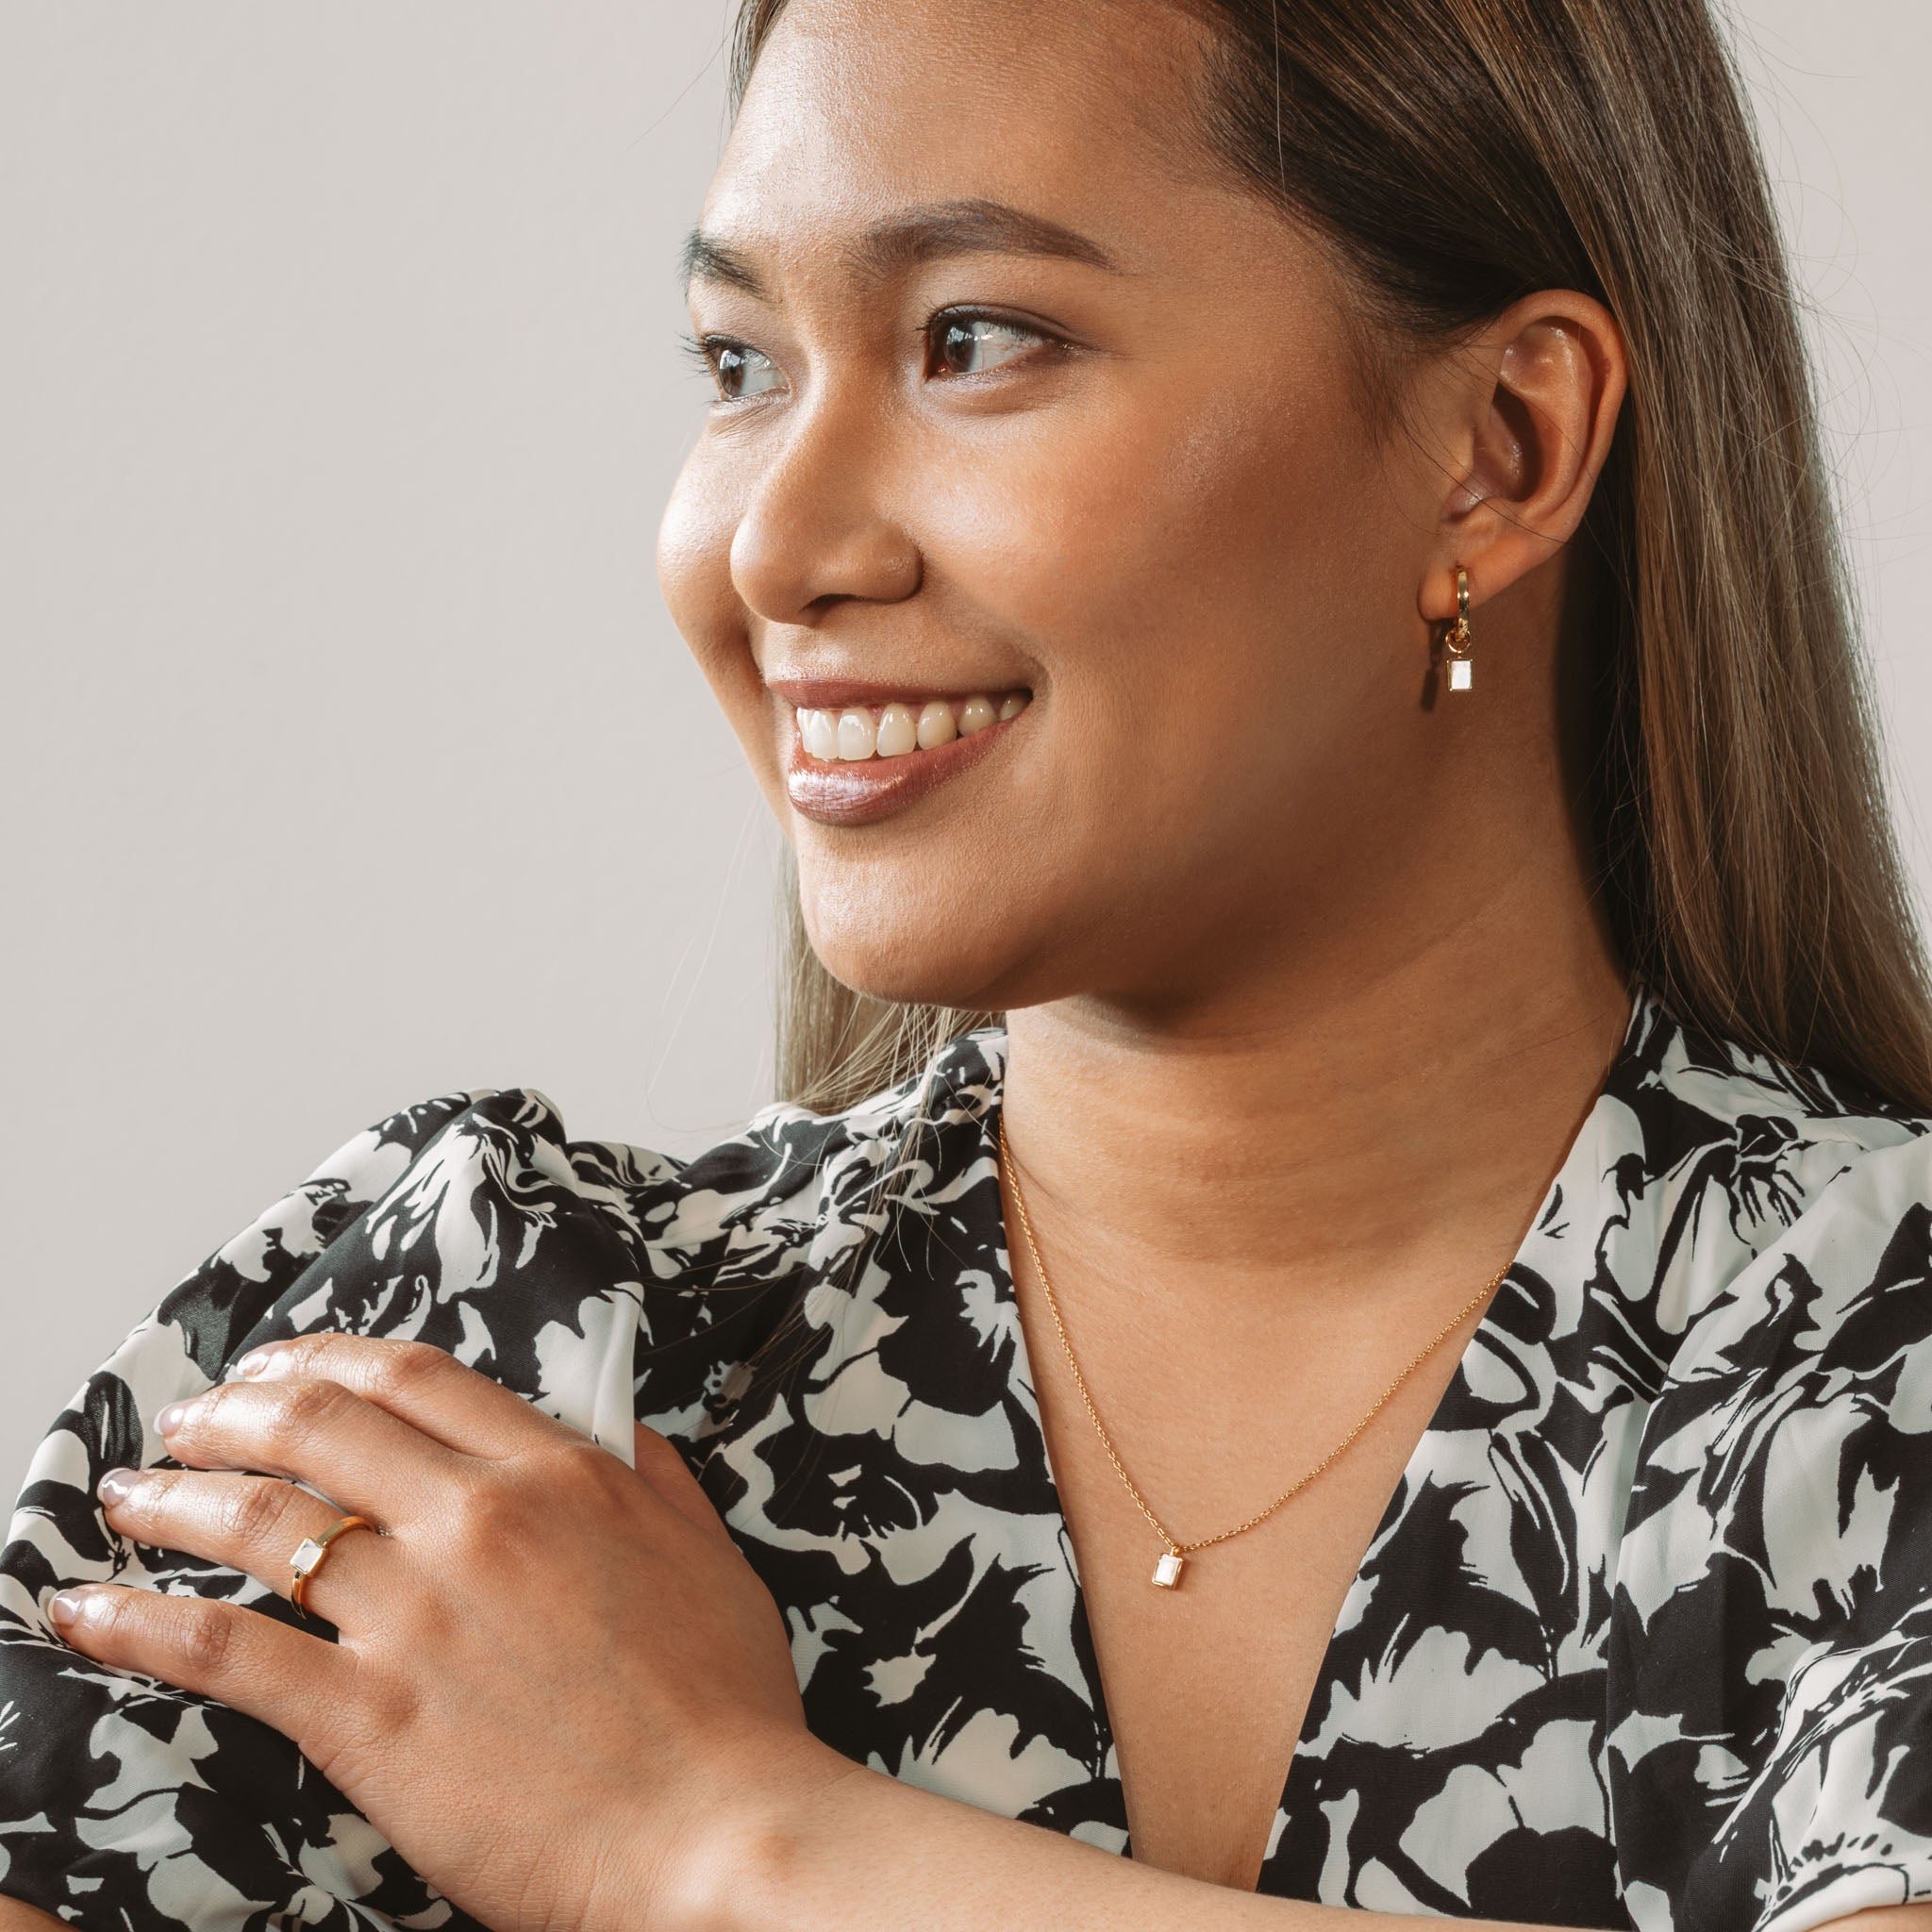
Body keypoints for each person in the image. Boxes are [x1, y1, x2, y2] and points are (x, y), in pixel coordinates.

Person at [4, 0, 1932, 1926]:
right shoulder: (503, 1358)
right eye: (739, 361)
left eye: (973, 340)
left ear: (1497, 448)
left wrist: (721, 1839)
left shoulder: (1865, 1350)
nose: (775, 545)